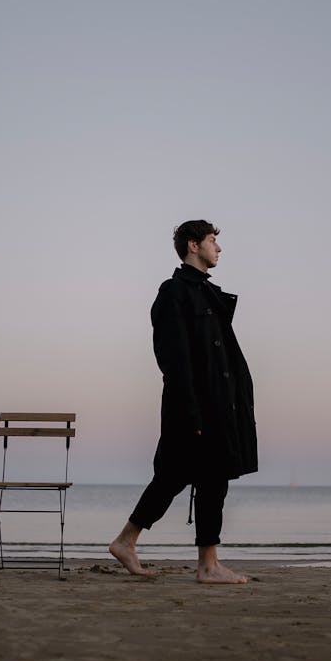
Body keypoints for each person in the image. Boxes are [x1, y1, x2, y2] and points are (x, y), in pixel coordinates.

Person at [110, 219, 257, 584]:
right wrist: (191, 411)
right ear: (193, 245)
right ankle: (199, 564)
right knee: (178, 476)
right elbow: (174, 358)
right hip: (193, 405)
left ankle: (134, 543)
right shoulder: (174, 292)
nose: (219, 248)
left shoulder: (207, 293)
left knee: (204, 478)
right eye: (212, 241)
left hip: (217, 403)